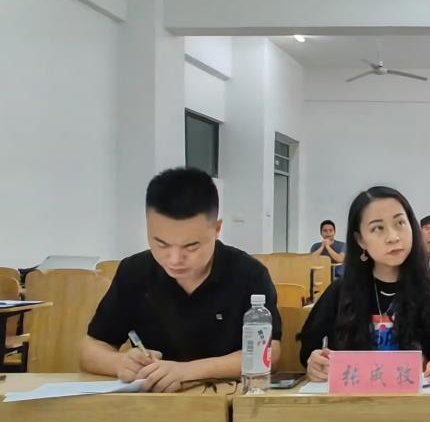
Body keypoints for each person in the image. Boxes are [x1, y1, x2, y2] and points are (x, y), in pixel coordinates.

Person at [81, 167, 281, 391]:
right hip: (154, 400)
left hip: (226, 399)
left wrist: (188, 371)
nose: (175, 259)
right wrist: (120, 363)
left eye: (191, 246)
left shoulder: (248, 274)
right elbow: (92, 347)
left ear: (217, 229)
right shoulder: (134, 272)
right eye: (161, 244)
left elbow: (270, 353)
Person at [300, 187, 430, 383]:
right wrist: (315, 364)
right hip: (356, 399)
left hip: (424, 399)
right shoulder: (340, 293)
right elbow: (309, 351)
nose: (393, 237)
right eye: (378, 228)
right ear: (360, 240)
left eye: (400, 223)